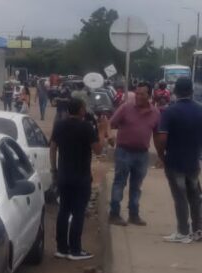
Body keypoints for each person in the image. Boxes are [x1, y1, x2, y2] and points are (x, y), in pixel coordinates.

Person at [49, 98, 106, 261]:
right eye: (84, 108)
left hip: (63, 175)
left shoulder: (59, 125)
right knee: (78, 212)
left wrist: (54, 170)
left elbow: (53, 148)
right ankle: (75, 250)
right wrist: (102, 130)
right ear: (81, 110)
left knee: (63, 211)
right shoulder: (86, 127)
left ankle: (61, 248)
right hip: (81, 177)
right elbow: (98, 150)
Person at [155, 77, 202, 243]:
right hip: (193, 162)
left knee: (180, 197)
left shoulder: (170, 111)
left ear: (175, 91)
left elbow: (162, 138)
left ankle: (183, 231)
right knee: (195, 197)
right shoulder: (200, 110)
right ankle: (198, 230)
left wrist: (161, 155)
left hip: (174, 161)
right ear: (191, 91)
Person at [107, 82, 160, 226]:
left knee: (136, 185)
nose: (138, 96)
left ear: (149, 95)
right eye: (137, 93)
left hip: (142, 154)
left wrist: (161, 155)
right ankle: (114, 214)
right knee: (119, 183)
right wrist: (110, 135)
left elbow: (157, 135)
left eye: (142, 94)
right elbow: (109, 123)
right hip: (124, 152)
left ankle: (134, 215)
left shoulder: (155, 113)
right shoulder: (126, 107)